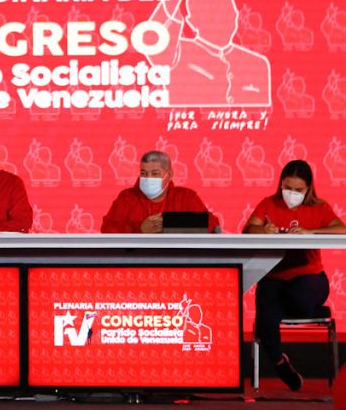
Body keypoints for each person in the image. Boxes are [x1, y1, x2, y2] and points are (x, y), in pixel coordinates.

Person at [243, 159, 346, 391]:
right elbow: (248, 229)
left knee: (293, 297)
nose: (292, 193)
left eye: (298, 190)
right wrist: (264, 230)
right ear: (280, 184)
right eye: (287, 188)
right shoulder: (269, 204)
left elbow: (342, 229)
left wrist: (311, 232)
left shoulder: (319, 207)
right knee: (265, 317)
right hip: (274, 277)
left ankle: (284, 307)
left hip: (309, 277)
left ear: (308, 189)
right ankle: (280, 363)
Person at [101, 150, 219, 233]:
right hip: (138, 258)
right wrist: (140, 228)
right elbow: (107, 228)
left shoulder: (186, 197)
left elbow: (212, 224)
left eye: (155, 173)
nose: (148, 178)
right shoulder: (127, 197)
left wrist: (169, 224)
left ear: (169, 175)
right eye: (143, 173)